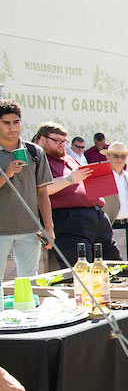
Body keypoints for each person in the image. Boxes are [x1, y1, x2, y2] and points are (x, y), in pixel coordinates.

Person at [34, 122, 110, 267]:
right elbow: (42, 189)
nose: (62, 145)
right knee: (82, 270)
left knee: (113, 266)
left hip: (97, 218)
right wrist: (71, 178)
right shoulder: (39, 160)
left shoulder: (70, 159)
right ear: (42, 139)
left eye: (64, 141)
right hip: (71, 221)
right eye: (57, 141)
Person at [0, 101, 54, 277]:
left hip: (30, 230)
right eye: (6, 123)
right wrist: (6, 174)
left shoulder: (34, 152)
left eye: (16, 122)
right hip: (1, 231)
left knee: (29, 282)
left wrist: (49, 228)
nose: (12, 127)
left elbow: (42, 193)